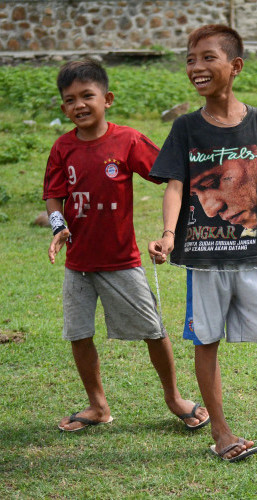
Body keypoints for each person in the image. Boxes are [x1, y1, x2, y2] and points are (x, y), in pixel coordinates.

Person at [148, 24, 257, 462]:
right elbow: (174, 186)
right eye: (191, 59)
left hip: (255, 256)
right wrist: (170, 235)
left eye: (209, 58)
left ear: (235, 66)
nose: (197, 67)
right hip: (204, 260)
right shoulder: (187, 128)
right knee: (205, 340)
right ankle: (222, 432)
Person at [43, 59, 209, 432]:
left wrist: (170, 232)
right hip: (78, 264)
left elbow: (170, 176)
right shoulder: (62, 148)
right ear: (63, 107)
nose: (79, 105)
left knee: (153, 330)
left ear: (108, 98)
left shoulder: (127, 140)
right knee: (79, 334)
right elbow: (54, 196)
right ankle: (98, 406)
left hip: (122, 261)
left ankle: (174, 397)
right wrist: (59, 225)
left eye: (87, 96)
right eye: (70, 100)